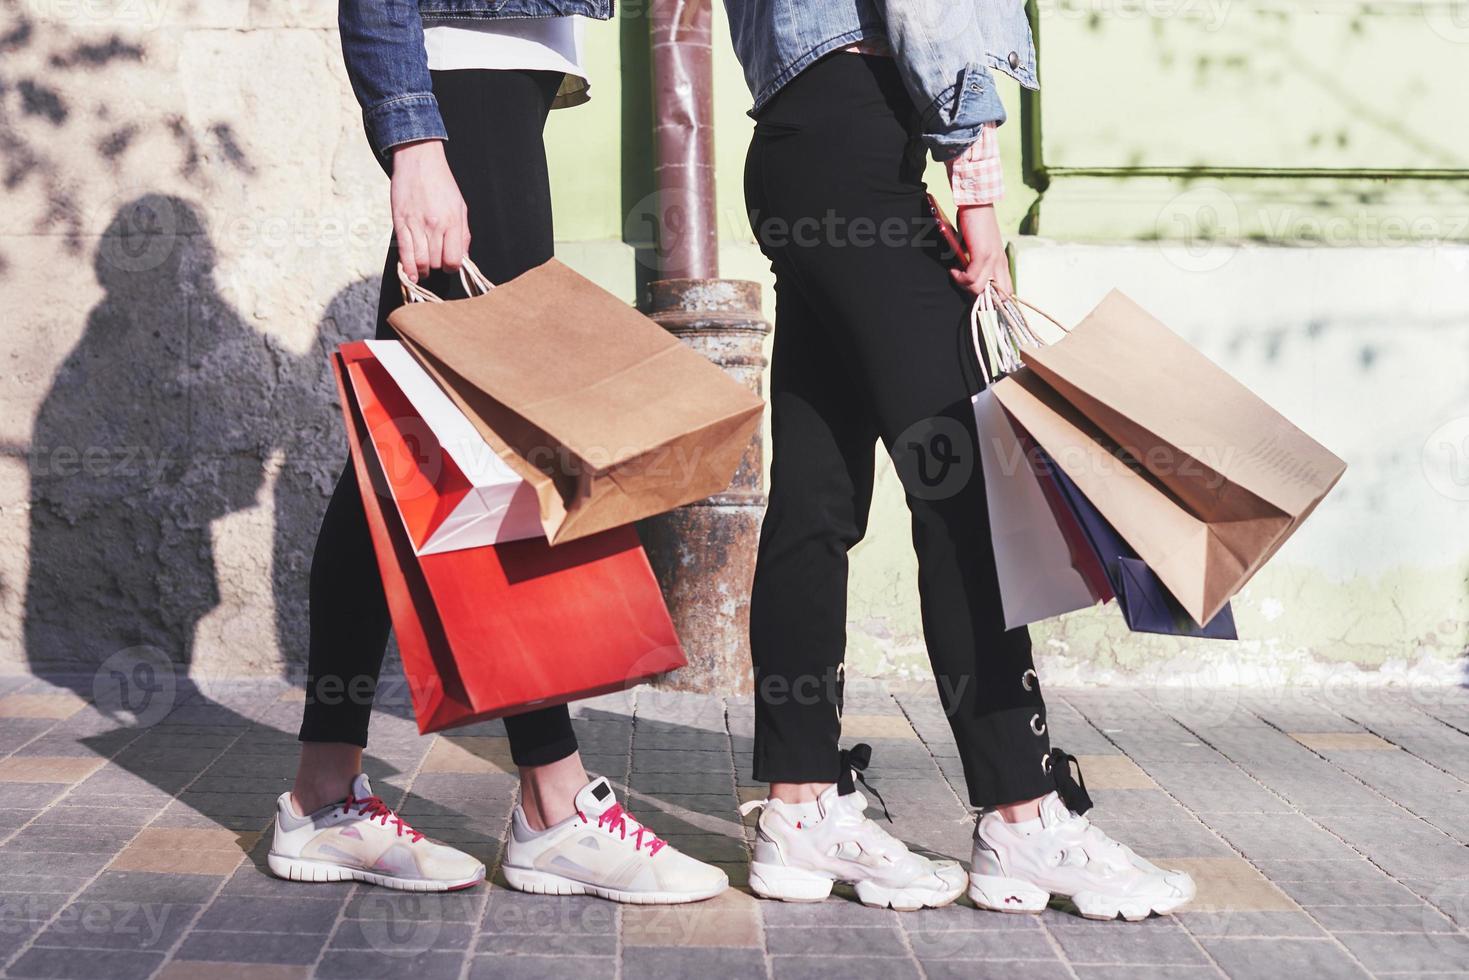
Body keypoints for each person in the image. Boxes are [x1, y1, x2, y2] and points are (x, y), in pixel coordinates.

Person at [724, 0, 1197, 919]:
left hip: (798, 142)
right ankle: (1022, 816)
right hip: (864, 136)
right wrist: (974, 178)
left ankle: (798, 804)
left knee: (817, 495)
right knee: (965, 494)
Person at [267, 0, 728, 904]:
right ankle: (552, 806)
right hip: (457, 83)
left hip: (503, 81)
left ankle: (323, 797)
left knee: (406, 454)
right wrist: (415, 145)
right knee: (497, 438)